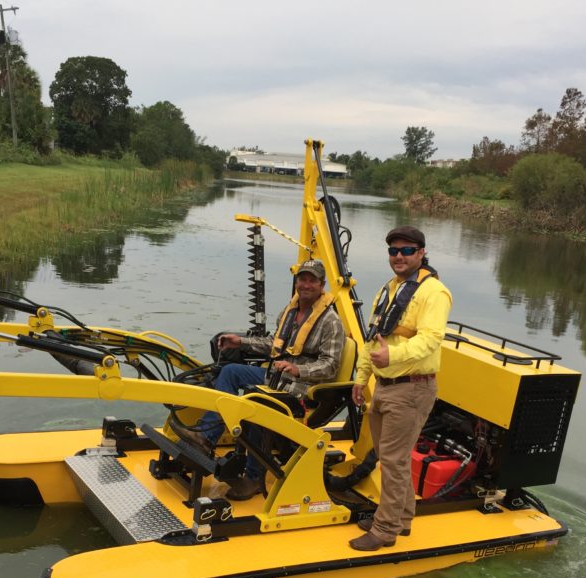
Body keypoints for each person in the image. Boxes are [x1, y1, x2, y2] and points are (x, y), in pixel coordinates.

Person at [176, 259, 345, 500]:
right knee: (231, 371)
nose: (306, 285)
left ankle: (254, 478)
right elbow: (273, 345)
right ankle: (206, 436)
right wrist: (241, 342)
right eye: (302, 279)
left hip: (302, 387)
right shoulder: (290, 312)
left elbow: (331, 366)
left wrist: (298, 370)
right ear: (296, 281)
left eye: (312, 280)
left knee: (259, 405)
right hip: (277, 377)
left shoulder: (331, 322)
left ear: (321, 284)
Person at [349, 226, 452, 551]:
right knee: (390, 457)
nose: (399, 257)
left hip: (411, 388)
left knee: (392, 460)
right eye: (393, 251)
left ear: (421, 253)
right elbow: (374, 336)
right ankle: (403, 517)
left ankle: (385, 530)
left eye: (407, 250)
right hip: (385, 384)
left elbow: (431, 339)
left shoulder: (433, 292)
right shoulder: (390, 289)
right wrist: (361, 376)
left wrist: (393, 354)